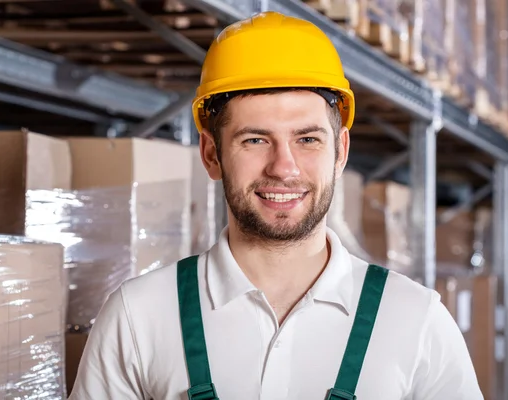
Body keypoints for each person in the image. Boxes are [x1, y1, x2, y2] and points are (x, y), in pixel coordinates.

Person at [69, 11, 483, 400]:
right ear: (212, 155)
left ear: (339, 152)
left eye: (307, 139)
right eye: (255, 140)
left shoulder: (416, 320)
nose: (284, 168)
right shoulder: (138, 316)